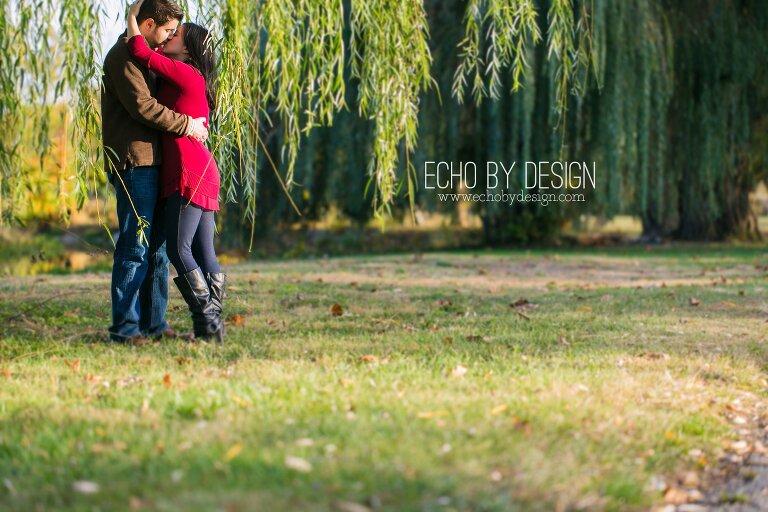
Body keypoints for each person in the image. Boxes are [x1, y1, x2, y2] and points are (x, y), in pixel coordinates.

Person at [102, 0, 209, 344]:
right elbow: (144, 107)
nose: (170, 37)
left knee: (158, 251)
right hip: (136, 162)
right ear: (148, 25)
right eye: (167, 31)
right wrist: (188, 125)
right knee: (135, 246)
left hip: (159, 164)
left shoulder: (151, 56)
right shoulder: (123, 58)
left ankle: (154, 325)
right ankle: (125, 329)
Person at [126, 0, 226, 343]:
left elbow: (141, 52)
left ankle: (208, 321)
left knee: (178, 251)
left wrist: (133, 15)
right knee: (203, 252)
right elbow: (152, 56)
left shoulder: (185, 72)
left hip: (189, 170)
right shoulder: (187, 75)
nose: (169, 36)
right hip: (201, 169)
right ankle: (211, 328)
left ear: (188, 48)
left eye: (176, 34)